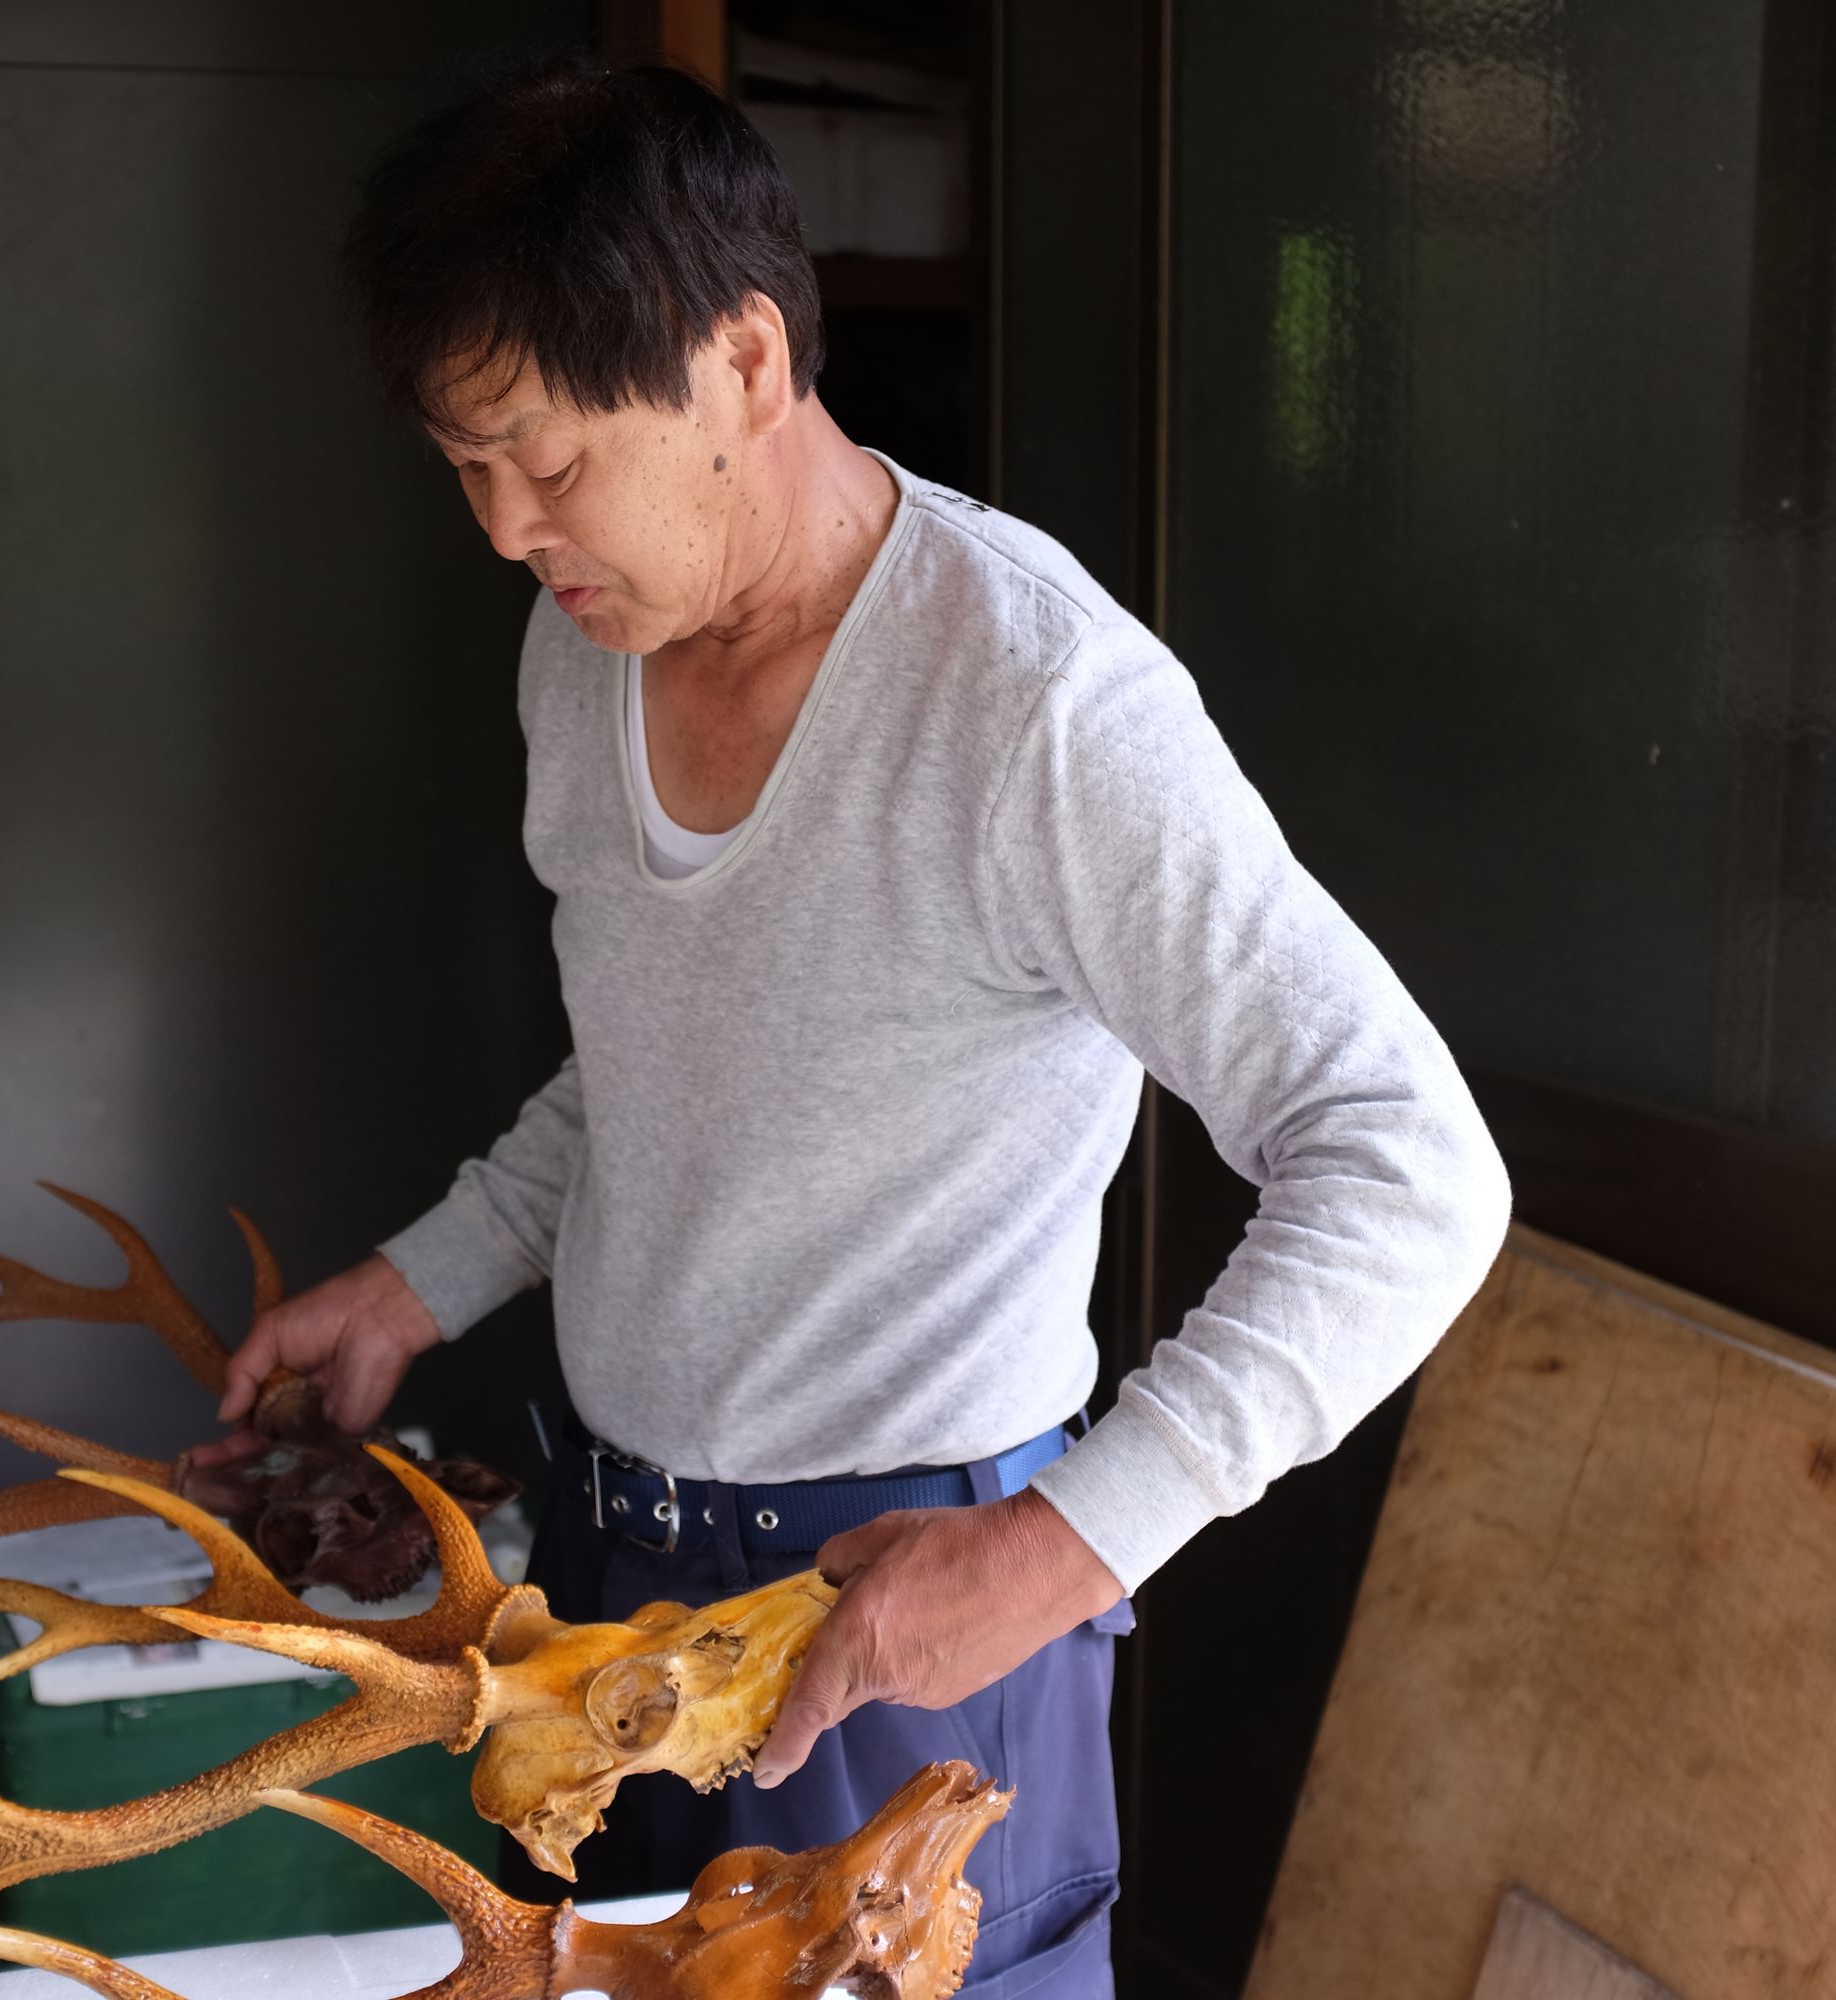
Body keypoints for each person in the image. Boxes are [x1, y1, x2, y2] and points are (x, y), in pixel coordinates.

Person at [197, 56, 1510, 1996]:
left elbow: (1412, 1165)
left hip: (898, 1615)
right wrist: (423, 1278)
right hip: (605, 1576)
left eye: (546, 459)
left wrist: (1071, 1549)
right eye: (464, 465)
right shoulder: (588, 652)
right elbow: (667, 1052)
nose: (503, 530)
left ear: (742, 362)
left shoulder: (1039, 707)